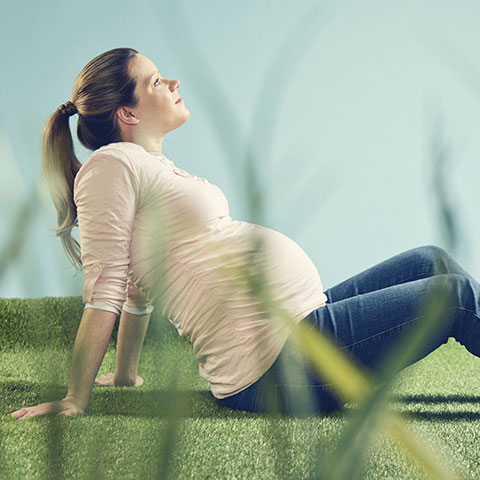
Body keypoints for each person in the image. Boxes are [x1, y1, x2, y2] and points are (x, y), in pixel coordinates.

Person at [9, 48, 480, 420]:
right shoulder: (110, 166)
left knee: (432, 260)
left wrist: (127, 372)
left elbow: (137, 287)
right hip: (278, 369)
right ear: (127, 114)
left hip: (300, 326)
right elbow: (107, 284)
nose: (172, 83)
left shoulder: (150, 168)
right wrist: (75, 396)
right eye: (155, 81)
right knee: (454, 295)